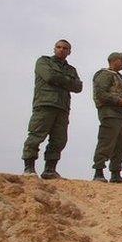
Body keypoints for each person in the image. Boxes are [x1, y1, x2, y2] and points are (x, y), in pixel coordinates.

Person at [22, 39, 83, 179]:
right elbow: (49, 76)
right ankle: (29, 168)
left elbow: (78, 87)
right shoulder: (44, 61)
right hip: (45, 104)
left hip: (62, 107)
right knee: (36, 135)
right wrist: (67, 81)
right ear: (54, 48)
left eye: (65, 48)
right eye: (59, 47)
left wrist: (60, 80)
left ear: (69, 52)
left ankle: (50, 170)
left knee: (59, 139)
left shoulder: (70, 69)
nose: (61, 49)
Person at [91, 52, 122, 183]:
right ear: (114, 61)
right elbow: (101, 94)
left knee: (120, 146)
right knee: (106, 142)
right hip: (109, 113)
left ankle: (115, 173)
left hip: (120, 115)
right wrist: (120, 101)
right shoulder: (105, 74)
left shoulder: (119, 77)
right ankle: (98, 172)